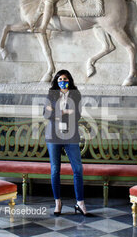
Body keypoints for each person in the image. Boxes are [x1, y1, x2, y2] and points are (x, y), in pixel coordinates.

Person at [43, 69, 87, 216]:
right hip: (53, 136)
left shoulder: (76, 94)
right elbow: (46, 114)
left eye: (65, 79)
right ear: (56, 81)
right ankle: (58, 202)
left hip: (71, 135)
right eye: (60, 79)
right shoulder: (52, 94)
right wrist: (65, 112)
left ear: (69, 81)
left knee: (78, 169)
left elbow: (78, 115)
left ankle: (80, 203)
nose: (63, 81)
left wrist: (56, 112)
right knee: (55, 170)